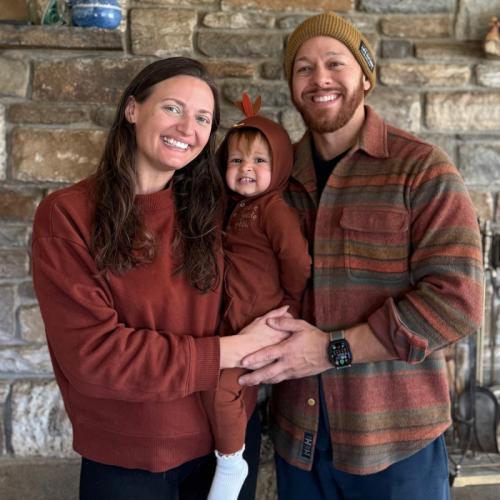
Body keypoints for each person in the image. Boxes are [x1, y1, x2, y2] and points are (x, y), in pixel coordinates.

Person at [238, 12, 484, 500]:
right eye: (303, 68)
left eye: (335, 63)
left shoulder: (421, 169)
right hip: (298, 442)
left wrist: (332, 349)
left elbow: (457, 302)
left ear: (365, 77)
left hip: (397, 444)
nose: (319, 79)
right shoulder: (273, 179)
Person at [31, 57, 289, 500]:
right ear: (132, 109)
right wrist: (231, 350)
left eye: (203, 118)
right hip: (128, 458)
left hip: (227, 446)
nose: (187, 128)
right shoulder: (67, 216)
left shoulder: (218, 209)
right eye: (173, 108)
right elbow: (95, 357)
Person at [203, 95, 311, 500]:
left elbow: (297, 261)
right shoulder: (230, 208)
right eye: (236, 160)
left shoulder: (272, 210)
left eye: (259, 161)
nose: (246, 168)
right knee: (213, 382)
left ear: (278, 166)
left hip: (263, 322)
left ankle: (232, 461)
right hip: (234, 322)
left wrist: (290, 309)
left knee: (223, 387)